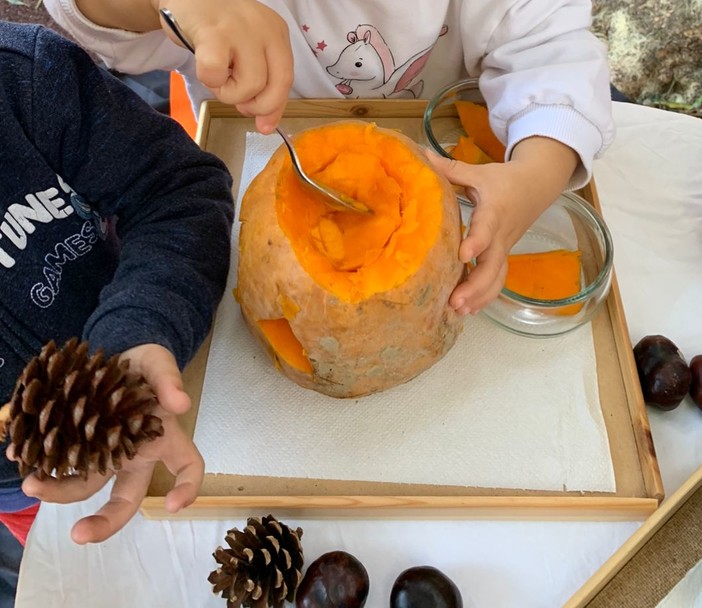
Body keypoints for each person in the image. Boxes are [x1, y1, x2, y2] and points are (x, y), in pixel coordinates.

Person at [43, 0, 614, 315]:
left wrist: (533, 176)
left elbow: (553, 56)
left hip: (439, 149)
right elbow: (88, 15)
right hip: (247, 149)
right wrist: (176, 4)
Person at [0, 18, 234, 604]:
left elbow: (177, 189)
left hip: (171, 364)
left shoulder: (26, 80)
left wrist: (138, 330)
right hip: (18, 484)